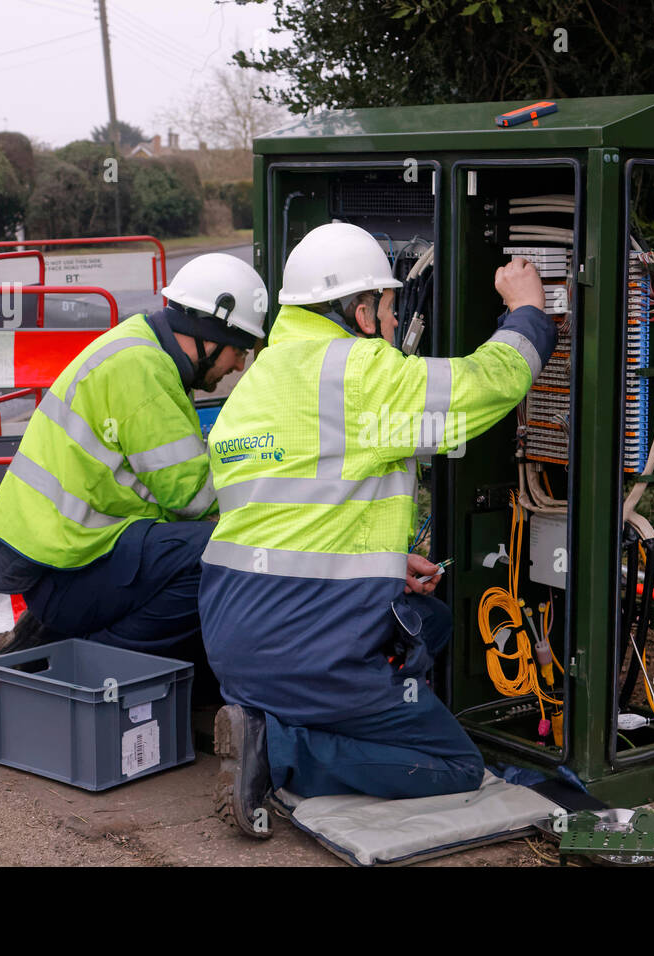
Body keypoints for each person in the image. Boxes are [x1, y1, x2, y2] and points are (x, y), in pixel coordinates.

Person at [198, 222, 555, 838]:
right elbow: (482, 388)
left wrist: (388, 563)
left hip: (234, 638)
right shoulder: (356, 371)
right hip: (307, 652)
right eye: (392, 311)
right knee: (454, 765)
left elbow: (299, 513)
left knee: (433, 623)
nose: (396, 327)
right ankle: (278, 747)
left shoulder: (258, 381)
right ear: (360, 312)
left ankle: (276, 717)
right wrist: (527, 312)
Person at [0, 253, 268, 696]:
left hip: (61, 557)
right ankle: (90, 664)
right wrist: (269, 476)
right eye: (238, 351)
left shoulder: (139, 346)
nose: (238, 367)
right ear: (211, 333)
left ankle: (62, 642)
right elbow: (196, 499)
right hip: (66, 568)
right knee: (223, 554)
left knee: (198, 550)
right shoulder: (143, 372)